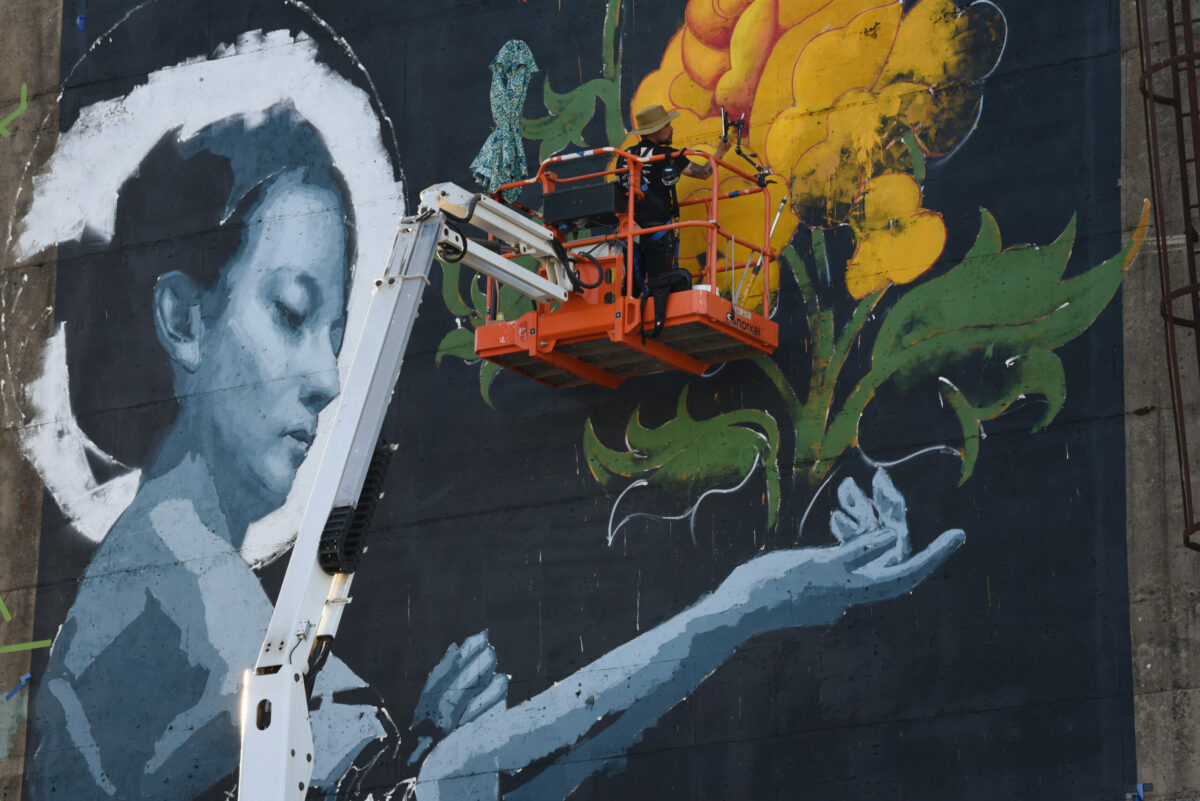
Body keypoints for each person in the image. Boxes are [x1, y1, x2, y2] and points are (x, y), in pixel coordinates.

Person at [26, 106, 390, 801]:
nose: (328, 378)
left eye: (336, 334)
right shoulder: (179, 572)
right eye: (292, 313)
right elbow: (364, 767)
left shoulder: (164, 554)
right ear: (184, 320)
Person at [620, 104, 730, 337]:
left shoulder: (624, 157)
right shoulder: (668, 155)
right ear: (655, 131)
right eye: (667, 125)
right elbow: (704, 173)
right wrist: (720, 151)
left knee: (632, 283)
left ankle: (622, 320)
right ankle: (659, 324)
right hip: (659, 235)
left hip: (630, 233)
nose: (671, 129)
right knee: (662, 281)